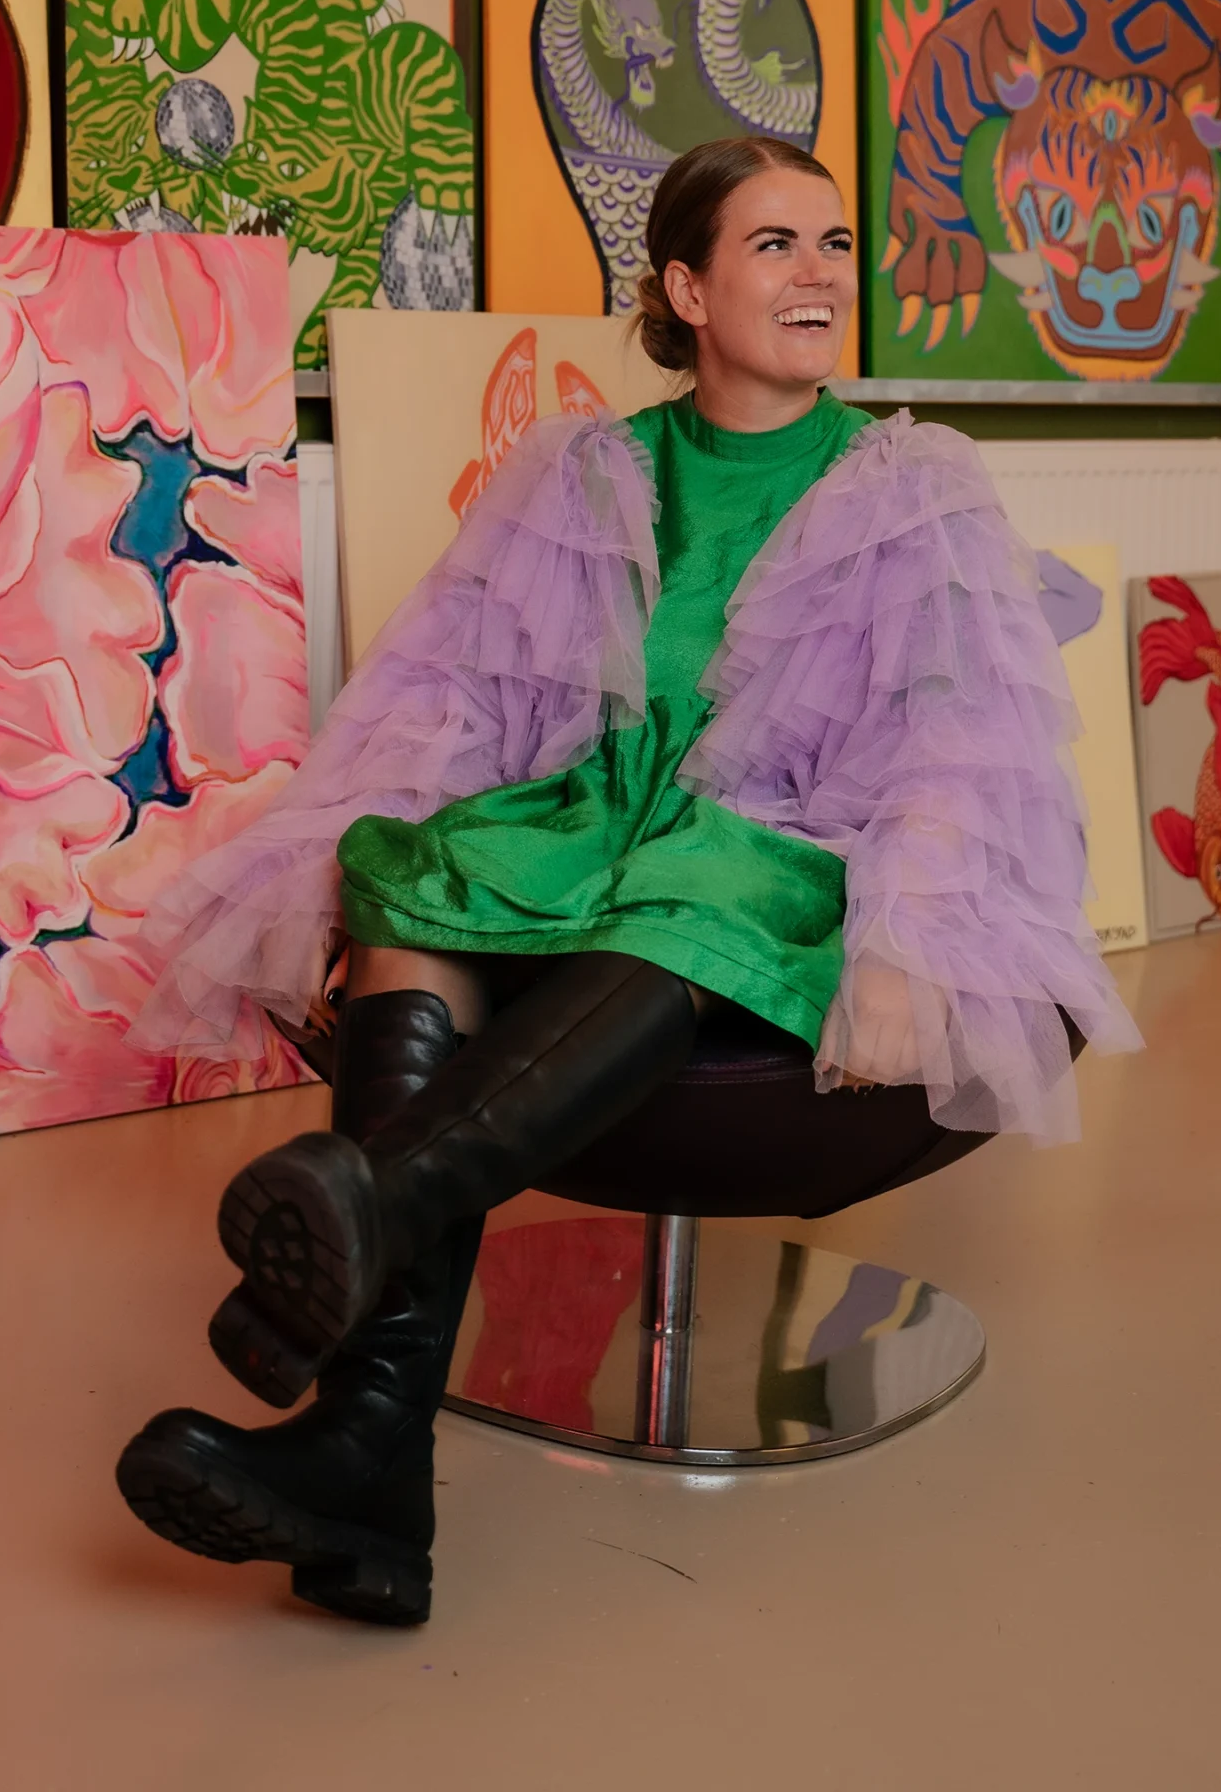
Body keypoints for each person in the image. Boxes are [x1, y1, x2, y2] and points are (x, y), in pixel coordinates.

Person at [117, 136, 1139, 1625]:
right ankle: (371, 1466)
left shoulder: (910, 483)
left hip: (784, 842)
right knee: (414, 879)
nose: (820, 274)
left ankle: (362, 1331)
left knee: (690, 886)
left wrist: (909, 933)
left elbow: (956, 735)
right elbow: (454, 693)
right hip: (598, 819)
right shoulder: (587, 469)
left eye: (834, 243)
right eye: (776, 245)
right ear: (687, 287)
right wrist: (359, 846)